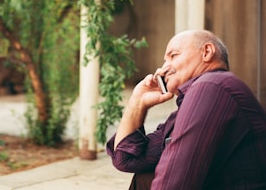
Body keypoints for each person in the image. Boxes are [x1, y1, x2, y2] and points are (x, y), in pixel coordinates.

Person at [106, 30, 266, 190]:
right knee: (145, 177)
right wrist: (137, 102)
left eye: (173, 55)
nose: (163, 68)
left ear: (207, 52)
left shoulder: (213, 85)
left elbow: (174, 184)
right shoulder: (192, 103)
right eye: (164, 60)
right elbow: (126, 158)